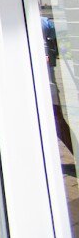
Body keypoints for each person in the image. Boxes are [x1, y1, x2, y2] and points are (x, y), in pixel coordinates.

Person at [43, 16, 73, 153]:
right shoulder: (43, 22)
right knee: (57, 119)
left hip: (46, 83)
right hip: (47, 83)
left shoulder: (44, 23)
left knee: (57, 119)